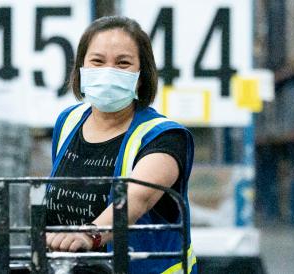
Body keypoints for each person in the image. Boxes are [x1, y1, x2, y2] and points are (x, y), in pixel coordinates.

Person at [45, 16, 197, 274]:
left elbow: (137, 199)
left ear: (140, 76)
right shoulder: (68, 122)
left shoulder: (164, 137)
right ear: (81, 68)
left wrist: (90, 236)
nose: (108, 71)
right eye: (97, 61)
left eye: (123, 63)